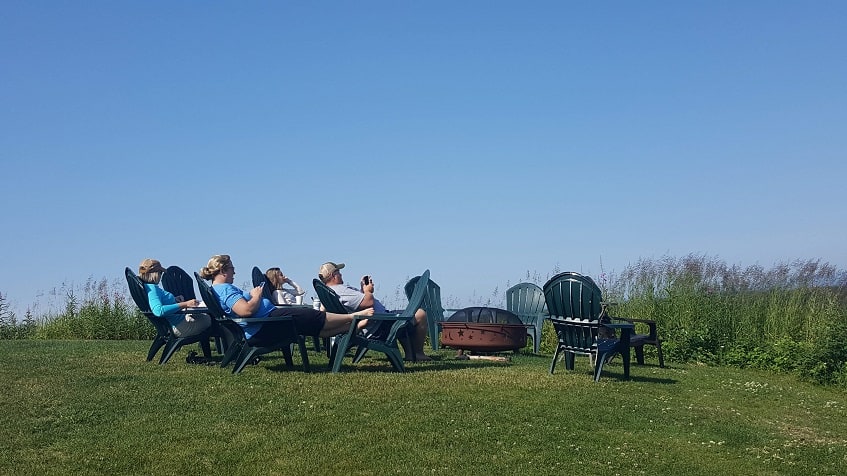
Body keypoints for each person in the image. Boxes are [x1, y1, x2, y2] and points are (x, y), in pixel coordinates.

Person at [198, 255, 372, 345]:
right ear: (223, 271)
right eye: (232, 269)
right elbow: (245, 311)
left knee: (310, 324)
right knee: (311, 315)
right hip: (265, 326)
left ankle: (353, 326)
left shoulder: (219, 289)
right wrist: (257, 296)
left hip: (268, 321)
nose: (234, 272)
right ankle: (352, 317)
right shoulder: (225, 290)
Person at [318, 261, 431, 361]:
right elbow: (369, 302)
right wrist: (369, 291)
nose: (341, 274)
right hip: (378, 327)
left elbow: (360, 304)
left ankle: (410, 354)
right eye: (338, 272)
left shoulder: (332, 292)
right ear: (333, 275)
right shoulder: (341, 291)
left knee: (402, 317)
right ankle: (418, 353)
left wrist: (363, 290)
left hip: (374, 324)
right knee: (420, 314)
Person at [138, 258, 212, 339]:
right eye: (160, 272)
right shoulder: (153, 289)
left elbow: (161, 302)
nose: (161, 275)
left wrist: (174, 299)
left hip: (176, 323)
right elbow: (159, 311)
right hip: (179, 327)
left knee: (201, 316)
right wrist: (185, 304)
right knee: (208, 319)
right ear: (155, 273)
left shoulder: (148, 288)